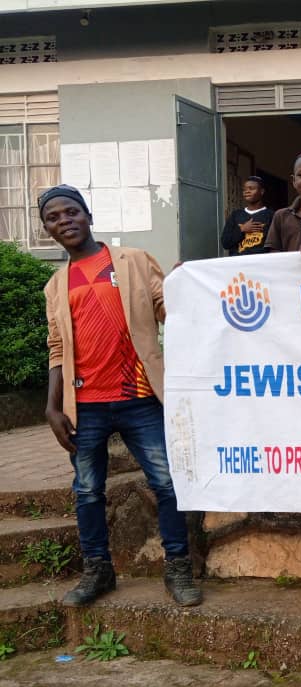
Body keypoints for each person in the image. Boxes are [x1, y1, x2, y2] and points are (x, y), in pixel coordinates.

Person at [40, 184, 202, 608]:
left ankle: (178, 567)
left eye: (71, 212)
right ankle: (99, 570)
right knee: (87, 490)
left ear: (88, 216)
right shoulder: (56, 285)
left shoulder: (133, 261)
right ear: (48, 230)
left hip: (140, 396)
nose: (64, 221)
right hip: (85, 405)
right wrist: (52, 408)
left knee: (166, 482)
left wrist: (185, 285)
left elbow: (168, 309)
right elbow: (57, 348)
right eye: (53, 218)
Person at [220, 176, 273, 256]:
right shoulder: (235, 215)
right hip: (238, 262)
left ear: (261, 191)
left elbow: (275, 245)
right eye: (244, 189)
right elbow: (225, 243)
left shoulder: (271, 215)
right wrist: (242, 229)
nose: (247, 191)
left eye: (251, 188)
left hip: (260, 262)